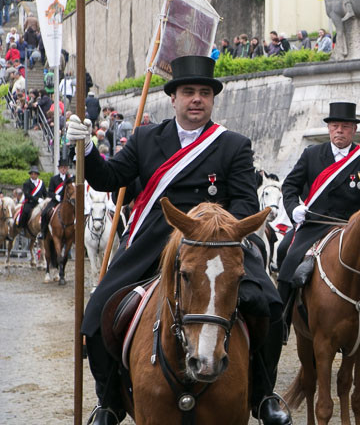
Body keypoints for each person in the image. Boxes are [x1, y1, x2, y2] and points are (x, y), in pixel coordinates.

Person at [68, 55, 292, 425]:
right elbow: (109, 178)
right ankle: (108, 401)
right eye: (188, 92)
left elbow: (245, 203)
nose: (197, 99)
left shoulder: (233, 144)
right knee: (97, 313)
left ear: (212, 99)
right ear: (173, 98)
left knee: (268, 304)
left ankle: (263, 395)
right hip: (155, 240)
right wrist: (88, 150)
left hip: (216, 244)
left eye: (204, 93)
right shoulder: (145, 138)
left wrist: (213, 225)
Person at [276, 102, 360, 338]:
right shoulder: (312, 154)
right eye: (335, 126)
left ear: (353, 130)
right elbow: (290, 185)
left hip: (350, 226)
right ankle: (281, 318)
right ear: (329, 129)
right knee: (286, 252)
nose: (340, 131)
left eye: (345, 127)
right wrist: (294, 208)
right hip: (315, 223)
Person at [40, 159, 74, 233]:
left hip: (68, 201)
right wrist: (56, 196)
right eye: (62, 167)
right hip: (56, 201)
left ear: (67, 168)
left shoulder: (71, 179)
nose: (63, 169)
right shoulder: (54, 179)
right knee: (44, 213)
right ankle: (43, 232)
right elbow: (50, 192)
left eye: (65, 167)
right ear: (59, 169)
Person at [17, 165, 45, 233]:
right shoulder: (26, 183)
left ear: (37, 174)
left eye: (35, 174)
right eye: (32, 174)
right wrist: (37, 199)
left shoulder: (41, 183)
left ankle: (45, 229)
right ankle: (22, 227)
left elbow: (45, 193)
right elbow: (27, 195)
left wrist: (46, 200)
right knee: (25, 211)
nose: (33, 175)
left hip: (39, 204)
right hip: (30, 202)